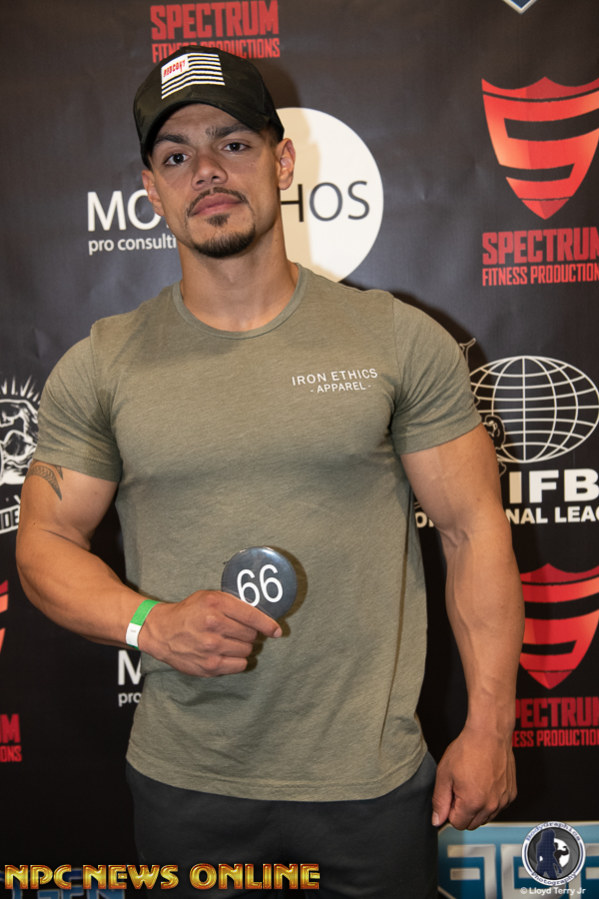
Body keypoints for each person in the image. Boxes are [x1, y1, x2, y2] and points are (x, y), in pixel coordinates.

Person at [16, 46, 524, 897]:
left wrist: (490, 727)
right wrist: (150, 623)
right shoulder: (102, 364)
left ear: (281, 161)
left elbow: (473, 532)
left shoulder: (396, 339)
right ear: (150, 190)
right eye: (175, 156)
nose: (206, 171)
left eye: (232, 143)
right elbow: (44, 540)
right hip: (187, 786)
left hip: (368, 784)